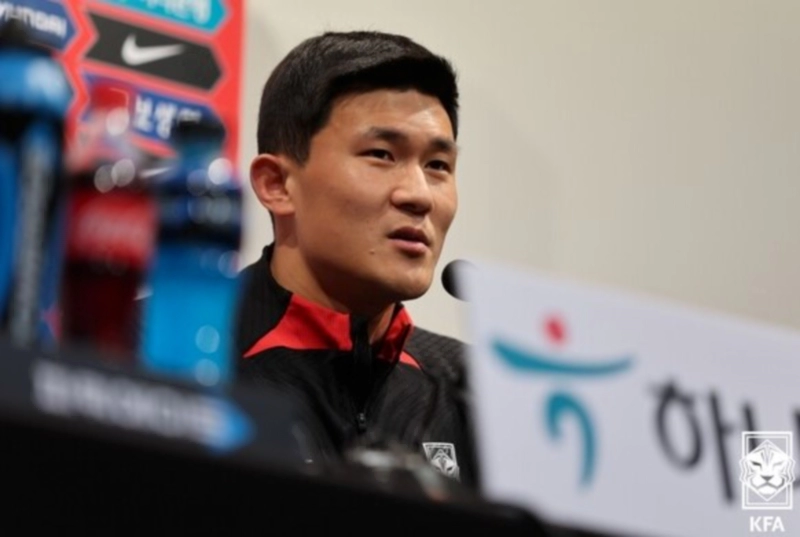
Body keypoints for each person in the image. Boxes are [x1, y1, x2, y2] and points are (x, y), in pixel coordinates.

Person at [236, 30, 479, 488]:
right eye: (382, 155)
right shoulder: (164, 348)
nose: (420, 196)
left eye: (438, 166)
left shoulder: (480, 393)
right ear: (277, 184)